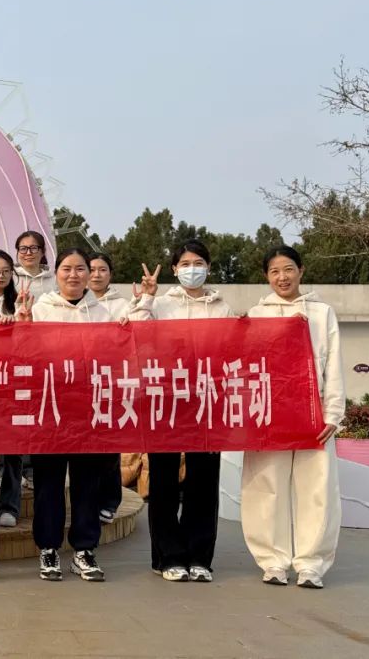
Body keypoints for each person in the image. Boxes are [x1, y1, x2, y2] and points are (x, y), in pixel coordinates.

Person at [129, 239, 235, 583]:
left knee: (203, 481)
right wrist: (147, 297)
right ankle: (168, 556)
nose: (192, 269)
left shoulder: (222, 308)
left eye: (198, 263)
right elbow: (135, 332)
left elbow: (233, 348)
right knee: (163, 480)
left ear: (209, 267)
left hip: (206, 400)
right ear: (175, 270)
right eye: (185, 264)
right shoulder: (161, 304)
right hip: (166, 398)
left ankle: (200, 556)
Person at [240, 246, 344, 589]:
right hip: (269, 413)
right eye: (274, 271)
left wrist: (333, 413)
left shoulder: (322, 313)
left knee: (316, 488)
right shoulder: (257, 314)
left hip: (313, 414)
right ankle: (273, 561)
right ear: (266, 277)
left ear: (301, 270)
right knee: (266, 486)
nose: (282, 277)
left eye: (288, 269)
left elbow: (333, 364)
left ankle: (312, 563)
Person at [16, 248, 112, 582]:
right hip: (50, 408)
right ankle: (48, 548)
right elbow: (24, 355)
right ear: (55, 273)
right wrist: (23, 328)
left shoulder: (103, 313)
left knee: (87, 482)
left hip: (88, 409)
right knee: (49, 483)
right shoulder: (40, 309)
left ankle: (84, 549)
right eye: (67, 269)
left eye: (80, 269)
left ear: (90, 273)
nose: (74, 275)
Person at [0, 250, 28, 528]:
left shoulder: (20, 301)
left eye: (6, 271)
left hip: (13, 380)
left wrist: (22, 321)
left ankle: (10, 504)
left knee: (13, 445)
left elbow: (33, 339)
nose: (0, 276)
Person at [88, 252, 131, 528]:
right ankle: (90, 500)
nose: (96, 274)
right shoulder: (77, 303)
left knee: (108, 447)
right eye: (91, 269)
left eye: (102, 269)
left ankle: (109, 500)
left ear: (110, 274)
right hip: (82, 385)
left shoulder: (122, 305)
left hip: (110, 383)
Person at [13, 231, 55, 301]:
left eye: (33, 248)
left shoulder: (55, 280)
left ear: (43, 252)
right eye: (23, 249)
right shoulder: (10, 279)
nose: (28, 253)